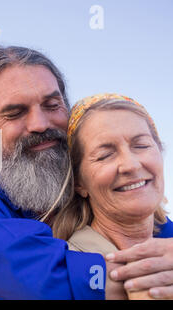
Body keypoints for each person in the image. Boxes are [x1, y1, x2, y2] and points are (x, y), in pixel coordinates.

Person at [0, 46, 173, 299]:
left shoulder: (107, 196)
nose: (40, 124)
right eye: (15, 113)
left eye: (52, 105)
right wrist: (151, 279)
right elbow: (35, 282)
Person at [47, 93, 171, 299]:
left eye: (141, 145)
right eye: (105, 155)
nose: (130, 165)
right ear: (79, 183)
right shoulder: (64, 271)